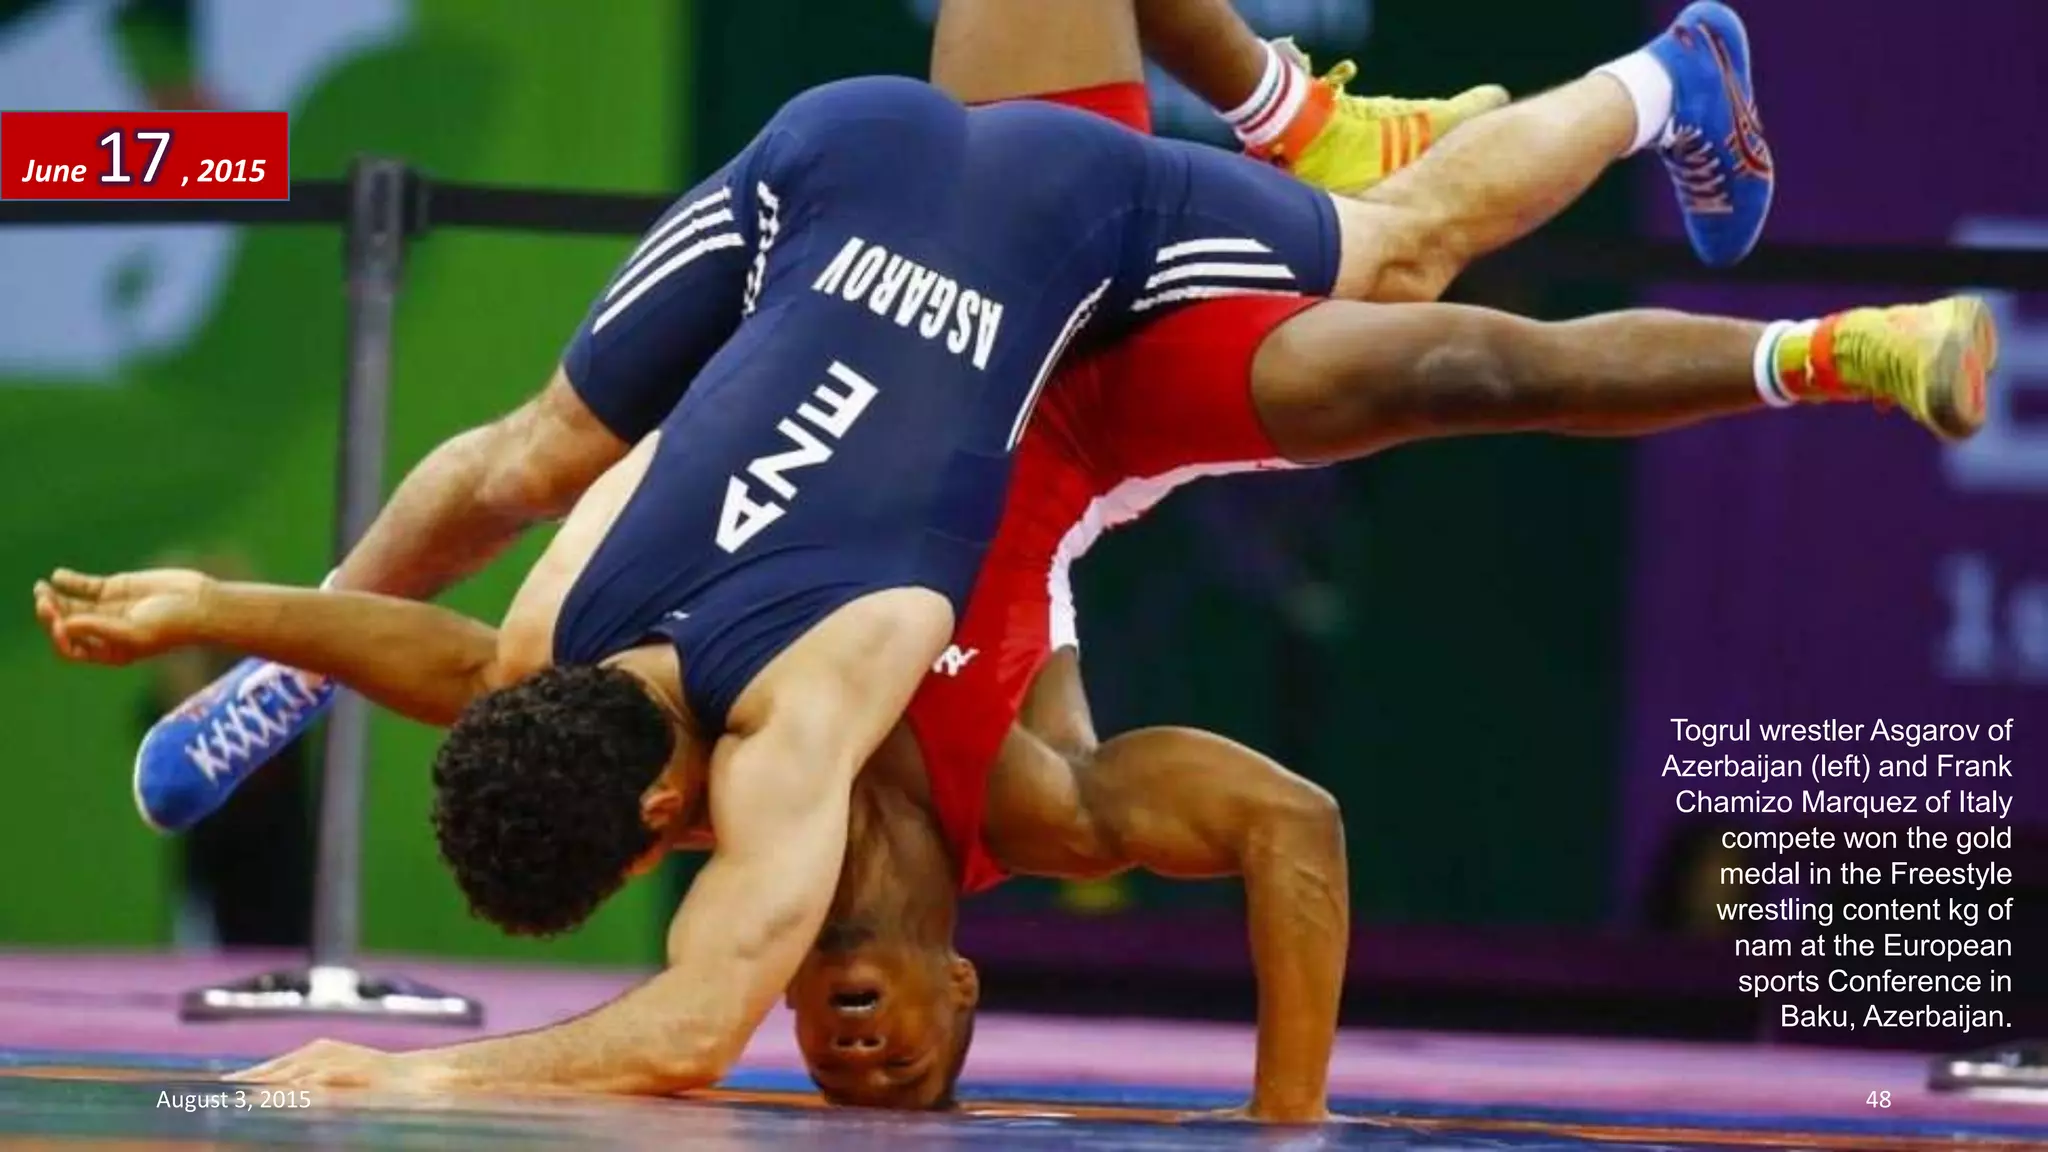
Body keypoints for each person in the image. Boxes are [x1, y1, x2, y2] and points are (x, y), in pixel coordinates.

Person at [62, 0, 1992, 1113]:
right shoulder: (576, 635)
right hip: (847, 188)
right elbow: (462, 667)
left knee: (1415, 271)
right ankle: (1320, 112)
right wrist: (228, 609)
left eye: (662, 850)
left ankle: (1636, 88)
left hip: (1059, 246)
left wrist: (408, 1075)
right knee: (523, 459)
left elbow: (686, 1027)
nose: (839, 1030)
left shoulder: (810, 716)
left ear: (666, 803)